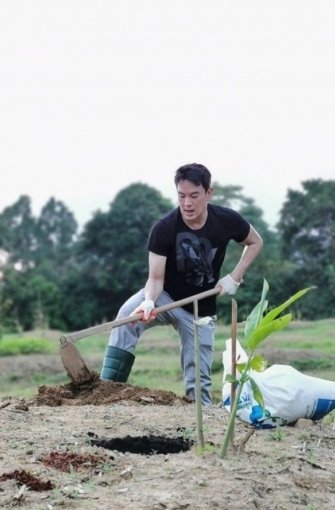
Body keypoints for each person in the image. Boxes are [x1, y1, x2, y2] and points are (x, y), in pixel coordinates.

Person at [100, 163, 264, 406]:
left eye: (194, 196)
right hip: (165, 296)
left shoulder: (226, 220)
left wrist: (235, 276)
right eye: (181, 195)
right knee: (127, 316)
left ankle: (201, 417)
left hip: (201, 308)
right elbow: (155, 278)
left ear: (209, 193)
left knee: (199, 377)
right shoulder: (164, 228)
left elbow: (255, 241)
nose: (187, 203)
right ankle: (105, 392)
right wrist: (148, 301)